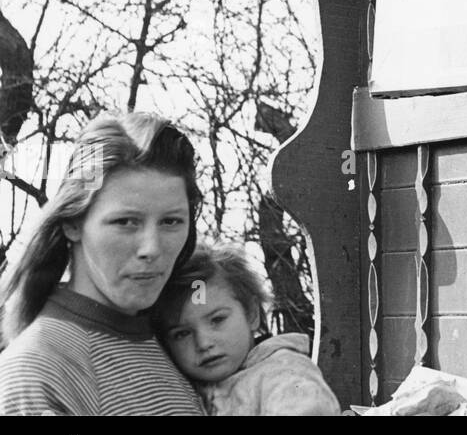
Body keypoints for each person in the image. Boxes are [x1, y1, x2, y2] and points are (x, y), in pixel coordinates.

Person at [0, 113, 205, 415]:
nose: (152, 248)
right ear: (73, 223)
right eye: (125, 222)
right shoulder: (38, 369)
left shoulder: (178, 343)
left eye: (171, 221)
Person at [155, 241, 340, 415]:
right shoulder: (182, 388)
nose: (203, 343)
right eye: (182, 334)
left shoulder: (284, 373)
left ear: (251, 314)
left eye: (217, 320)